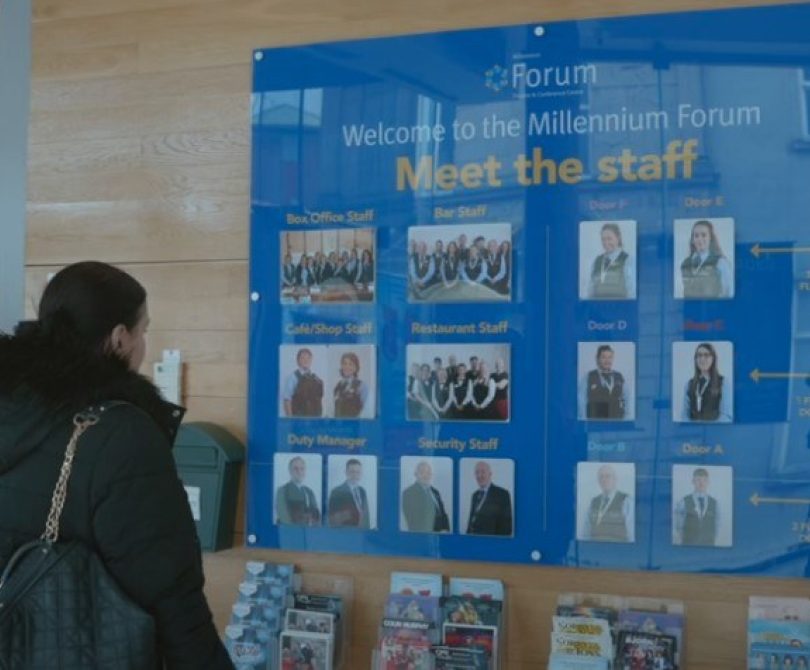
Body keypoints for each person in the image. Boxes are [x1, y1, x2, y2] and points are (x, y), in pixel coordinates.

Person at [0, 261, 233, 668]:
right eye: (144, 330)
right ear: (119, 339)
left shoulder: (12, 405)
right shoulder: (119, 434)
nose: (144, 344)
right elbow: (170, 595)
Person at [679, 219, 733, 298]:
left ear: (710, 238)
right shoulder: (685, 263)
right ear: (692, 240)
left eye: (704, 235)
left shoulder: (721, 262)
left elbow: (728, 292)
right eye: (696, 236)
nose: (700, 239)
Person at [581, 464, 634, 542]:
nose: (604, 480)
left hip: (618, 549)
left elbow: (631, 534)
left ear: (615, 479)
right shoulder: (593, 502)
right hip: (594, 548)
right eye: (601, 477)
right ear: (598, 481)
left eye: (608, 476)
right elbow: (586, 532)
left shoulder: (626, 500)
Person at [680, 342, 732, 422]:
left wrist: (708, 428)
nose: (702, 359)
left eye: (706, 355)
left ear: (713, 358)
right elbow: (684, 415)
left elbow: (726, 416)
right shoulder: (689, 384)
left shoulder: (723, 382)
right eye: (699, 355)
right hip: (694, 431)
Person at [578, 344, 629, 420]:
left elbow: (626, 399)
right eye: (603, 357)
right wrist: (585, 421)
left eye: (610, 357)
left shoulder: (619, 377)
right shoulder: (589, 377)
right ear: (598, 359)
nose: (607, 360)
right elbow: (581, 401)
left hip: (616, 422)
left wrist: (625, 418)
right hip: (595, 423)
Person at [587, 223, 635, 299]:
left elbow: (631, 292)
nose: (606, 243)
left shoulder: (627, 260)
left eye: (609, 238)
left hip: (620, 308)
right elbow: (590, 292)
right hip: (598, 308)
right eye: (603, 239)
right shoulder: (597, 261)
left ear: (618, 238)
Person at [673, 467, 719, 546]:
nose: (701, 483)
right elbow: (678, 525)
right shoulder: (683, 501)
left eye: (704, 480)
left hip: (709, 545)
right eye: (698, 480)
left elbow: (717, 525)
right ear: (693, 481)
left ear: (708, 482)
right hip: (688, 545)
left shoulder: (715, 503)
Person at [465, 461, 512, 536]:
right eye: (477, 472)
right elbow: (471, 521)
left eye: (483, 472)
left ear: (490, 474)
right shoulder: (475, 495)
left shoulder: (502, 494)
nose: (479, 475)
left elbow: (506, 525)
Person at [401, 461, 450, 532]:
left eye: (428, 473)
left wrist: (446, 529)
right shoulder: (408, 493)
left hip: (440, 536)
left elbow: (443, 514)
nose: (425, 475)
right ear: (415, 474)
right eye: (422, 472)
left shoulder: (435, 492)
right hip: (423, 537)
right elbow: (413, 520)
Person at [276, 456, 320, 526]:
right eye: (295, 469)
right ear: (290, 471)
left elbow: (316, 516)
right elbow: (283, 516)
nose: (299, 472)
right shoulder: (282, 491)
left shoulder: (309, 492)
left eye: (302, 469)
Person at [327, 458, 370, 528]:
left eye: (358, 472)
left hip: (362, 534)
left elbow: (366, 516)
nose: (355, 475)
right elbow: (332, 519)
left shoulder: (362, 491)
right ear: (346, 472)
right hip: (345, 533)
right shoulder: (336, 492)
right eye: (352, 472)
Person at [283, 348, 324, 417]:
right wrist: (290, 420)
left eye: (308, 358)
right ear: (298, 361)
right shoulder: (292, 378)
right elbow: (287, 400)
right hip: (299, 418)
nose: (306, 360)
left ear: (311, 360)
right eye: (303, 358)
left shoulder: (316, 379)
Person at [333, 351, 369, 418]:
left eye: (350, 364)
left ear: (356, 368)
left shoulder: (361, 386)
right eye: (344, 364)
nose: (347, 367)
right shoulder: (338, 386)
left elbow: (363, 412)